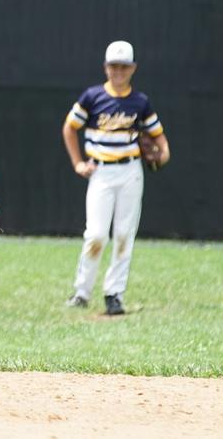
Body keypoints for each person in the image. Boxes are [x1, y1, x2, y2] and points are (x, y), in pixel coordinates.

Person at [62, 40, 170, 316]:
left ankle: (114, 294)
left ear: (133, 68)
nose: (118, 71)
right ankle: (82, 292)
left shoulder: (140, 102)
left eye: (124, 66)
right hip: (101, 172)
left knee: (123, 234)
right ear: (105, 67)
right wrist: (77, 163)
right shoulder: (92, 97)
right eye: (114, 66)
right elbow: (69, 128)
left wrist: (164, 153)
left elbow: (158, 135)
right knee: (96, 234)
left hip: (130, 172)